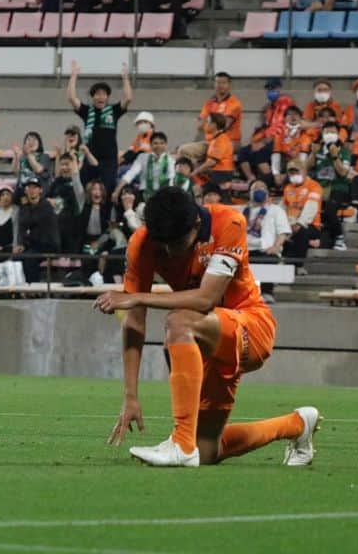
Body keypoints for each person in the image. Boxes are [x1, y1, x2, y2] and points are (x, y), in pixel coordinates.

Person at [95, 187, 319, 467]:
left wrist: (136, 297)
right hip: (204, 343)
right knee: (208, 451)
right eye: (162, 243)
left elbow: (206, 298)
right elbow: (134, 322)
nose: (169, 251)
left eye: (177, 243)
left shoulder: (228, 223)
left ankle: (180, 443)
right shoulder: (143, 243)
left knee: (179, 320)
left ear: (196, 225)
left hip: (250, 327)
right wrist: (130, 397)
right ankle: (297, 425)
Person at [66, 60, 134, 195]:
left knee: (106, 192)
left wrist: (125, 78)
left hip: (109, 161)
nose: (100, 97)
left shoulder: (113, 111)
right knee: (86, 190)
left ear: (107, 97)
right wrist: (73, 76)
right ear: (93, 97)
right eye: (97, 94)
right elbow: (72, 98)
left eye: (103, 94)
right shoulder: (87, 111)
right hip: (90, 156)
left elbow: (128, 98)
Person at [243, 181, 290, 302]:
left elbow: (283, 231)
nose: (259, 190)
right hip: (245, 249)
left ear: (267, 192)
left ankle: (267, 292)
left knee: (269, 259)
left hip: (266, 249)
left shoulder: (276, 210)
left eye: (262, 188)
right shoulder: (243, 211)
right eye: (255, 188)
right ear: (250, 193)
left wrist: (276, 246)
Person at [309, 121, 353, 251]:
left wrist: (334, 156)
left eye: (333, 132)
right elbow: (305, 169)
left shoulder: (344, 152)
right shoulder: (317, 149)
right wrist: (313, 153)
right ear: (322, 134)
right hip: (319, 188)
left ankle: (339, 238)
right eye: (327, 131)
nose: (330, 134)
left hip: (338, 188)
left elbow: (343, 172)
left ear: (338, 134)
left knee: (330, 208)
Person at [17, 177, 60, 283]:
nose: (31, 190)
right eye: (29, 187)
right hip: (33, 244)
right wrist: (22, 244)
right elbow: (23, 225)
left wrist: (26, 244)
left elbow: (32, 221)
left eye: (35, 187)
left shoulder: (46, 206)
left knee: (29, 258)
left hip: (48, 244)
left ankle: (33, 287)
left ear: (40, 190)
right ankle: (19, 288)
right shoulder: (25, 207)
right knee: (16, 257)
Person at [281, 160, 322, 267]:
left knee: (301, 232)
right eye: (291, 173)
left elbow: (311, 208)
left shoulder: (314, 186)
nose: (294, 175)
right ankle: (283, 263)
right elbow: (282, 207)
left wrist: (300, 223)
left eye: (296, 172)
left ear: (304, 171)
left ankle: (298, 266)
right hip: (290, 222)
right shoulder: (288, 188)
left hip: (311, 225)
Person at [48, 152, 85, 253]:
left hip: (74, 223)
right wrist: (49, 201)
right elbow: (46, 198)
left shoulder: (81, 181)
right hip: (56, 223)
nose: (64, 167)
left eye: (67, 164)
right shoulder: (56, 182)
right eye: (62, 164)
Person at [122, 131, 175, 197]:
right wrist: (117, 190)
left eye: (162, 143)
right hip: (144, 193)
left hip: (164, 194)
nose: (159, 146)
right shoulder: (142, 157)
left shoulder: (170, 160)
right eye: (155, 143)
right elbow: (131, 173)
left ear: (166, 145)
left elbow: (171, 178)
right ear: (150, 145)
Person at [270, 106, 311, 188]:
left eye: (296, 114)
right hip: (284, 165)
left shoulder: (306, 134)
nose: (293, 117)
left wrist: (288, 174)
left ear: (301, 118)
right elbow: (276, 155)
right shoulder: (280, 134)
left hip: (301, 167)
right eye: (289, 114)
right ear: (284, 119)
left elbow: (303, 158)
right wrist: (276, 174)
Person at [192, 113, 235, 189]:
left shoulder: (221, 140)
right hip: (216, 172)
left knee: (199, 188)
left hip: (222, 174)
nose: (205, 124)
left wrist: (196, 171)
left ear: (214, 125)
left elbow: (212, 162)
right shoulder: (215, 139)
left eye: (208, 122)